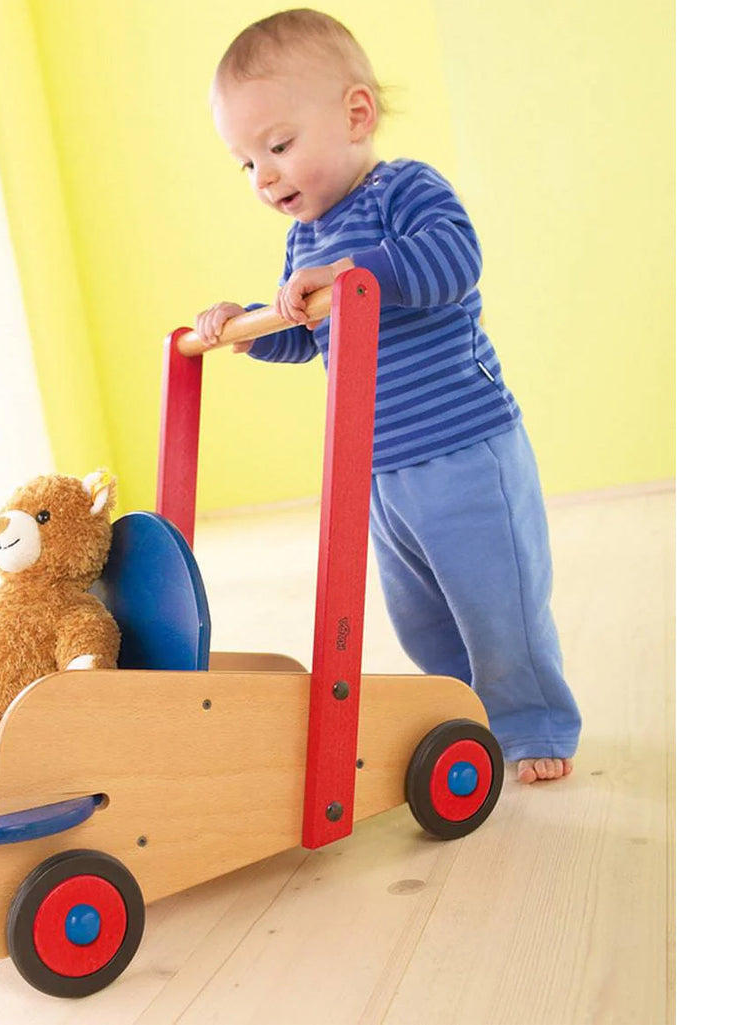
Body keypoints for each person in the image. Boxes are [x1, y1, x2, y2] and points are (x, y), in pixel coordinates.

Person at [194, 8, 581, 783]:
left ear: (355, 114)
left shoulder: (403, 192)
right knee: (423, 616)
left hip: (463, 451)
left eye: (277, 147)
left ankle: (531, 721)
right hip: (379, 470)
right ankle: (457, 715)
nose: (263, 177)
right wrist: (249, 326)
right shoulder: (305, 238)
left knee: (495, 602)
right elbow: (311, 336)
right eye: (244, 163)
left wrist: (354, 273)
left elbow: (453, 259)